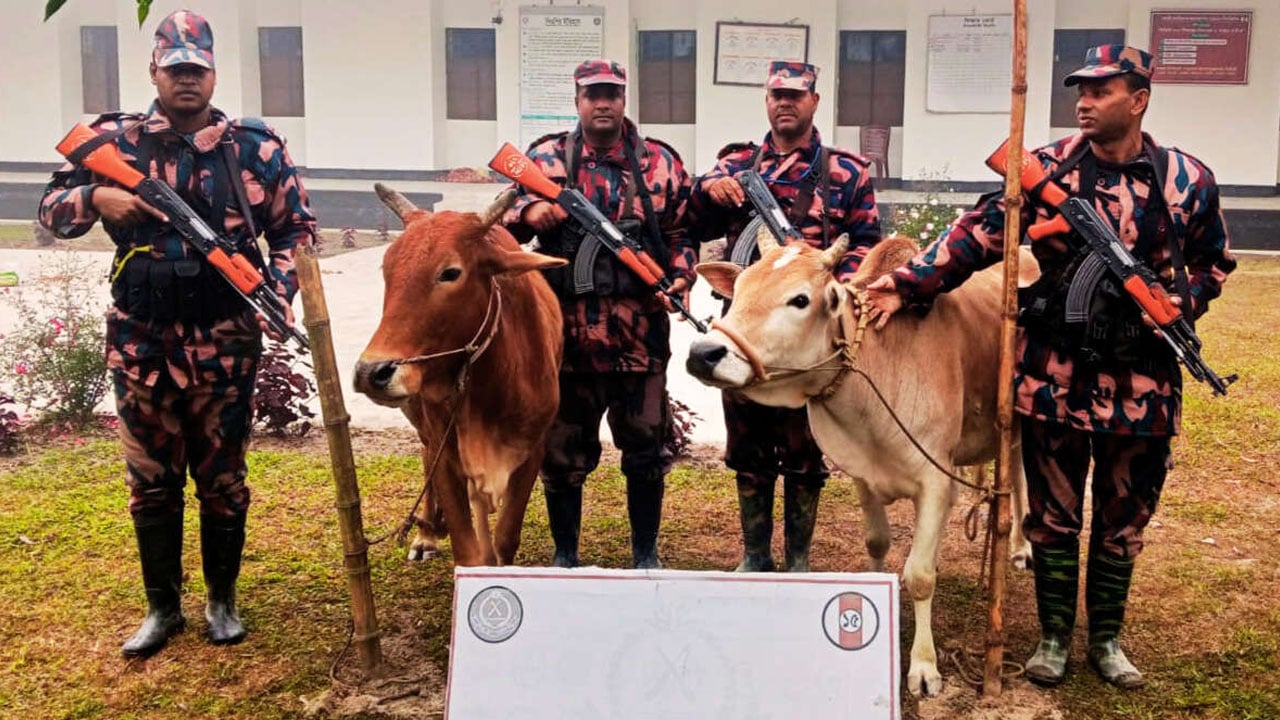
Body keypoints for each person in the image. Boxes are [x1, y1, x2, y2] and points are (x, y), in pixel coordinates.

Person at [864, 45, 1236, 688]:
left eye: (1102, 90)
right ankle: (1056, 639)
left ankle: (1109, 639)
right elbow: (977, 234)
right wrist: (910, 282)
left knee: (1124, 519)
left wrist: (1185, 299)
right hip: (1054, 377)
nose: (1085, 101)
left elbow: (1214, 262)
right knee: (1054, 517)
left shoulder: (1188, 180)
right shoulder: (1047, 171)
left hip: (1141, 380)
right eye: (1080, 91)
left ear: (1139, 99)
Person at [38, 9, 315, 657]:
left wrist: (277, 287)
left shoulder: (254, 146)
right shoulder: (117, 142)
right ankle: (162, 610)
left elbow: (297, 232)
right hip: (141, 344)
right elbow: (51, 209)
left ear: (214, 72)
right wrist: (94, 200)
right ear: (154, 71)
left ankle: (221, 601)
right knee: (151, 482)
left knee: (223, 481)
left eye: (198, 69)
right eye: (175, 69)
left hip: (226, 343)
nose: (186, 81)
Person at [689, 61, 882, 573]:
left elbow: (866, 248)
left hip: (807, 337)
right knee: (748, 449)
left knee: (803, 453)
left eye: (796, 95)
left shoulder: (847, 172)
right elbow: (692, 218)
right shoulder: (732, 165)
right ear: (766, 100)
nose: (785, 103)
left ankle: (798, 561)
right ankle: (754, 556)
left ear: (814, 101)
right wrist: (709, 189)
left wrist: (828, 287)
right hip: (746, 331)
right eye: (777, 94)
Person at [503, 59, 696, 570]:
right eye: (593, 95)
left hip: (639, 340)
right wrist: (528, 214)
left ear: (625, 99)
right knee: (561, 457)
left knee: (646, 453)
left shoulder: (660, 162)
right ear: (577, 101)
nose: (603, 103)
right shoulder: (544, 158)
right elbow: (503, 228)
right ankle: (565, 554)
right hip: (564, 341)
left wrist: (680, 276)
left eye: (612, 93)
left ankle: (645, 554)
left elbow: (681, 234)